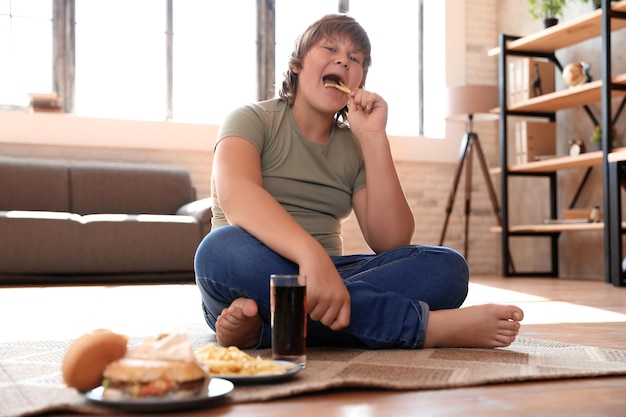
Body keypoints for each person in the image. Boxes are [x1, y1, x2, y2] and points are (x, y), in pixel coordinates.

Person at [194, 13, 523, 351]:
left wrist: (373, 138)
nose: (343, 60)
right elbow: (237, 197)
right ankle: (422, 328)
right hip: (253, 271)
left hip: (329, 279)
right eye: (330, 48)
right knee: (219, 249)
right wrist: (311, 256)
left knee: (447, 268)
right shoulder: (251, 119)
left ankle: (268, 330)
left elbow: (391, 241)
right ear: (296, 63)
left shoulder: (354, 145)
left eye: (355, 58)